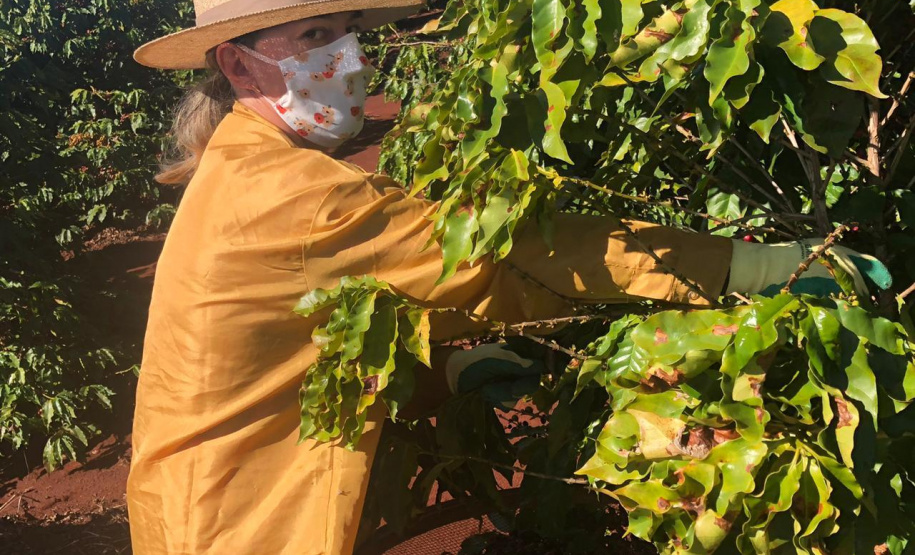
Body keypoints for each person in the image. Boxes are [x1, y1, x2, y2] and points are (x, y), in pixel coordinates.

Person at [128, 0, 891, 553]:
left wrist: (438, 368)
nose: (351, 58)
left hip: (200, 498)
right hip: (237, 520)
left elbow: (316, 319)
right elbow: (496, 259)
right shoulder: (288, 192)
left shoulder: (247, 164)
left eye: (350, 29)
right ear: (237, 63)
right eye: (316, 36)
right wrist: (742, 264)